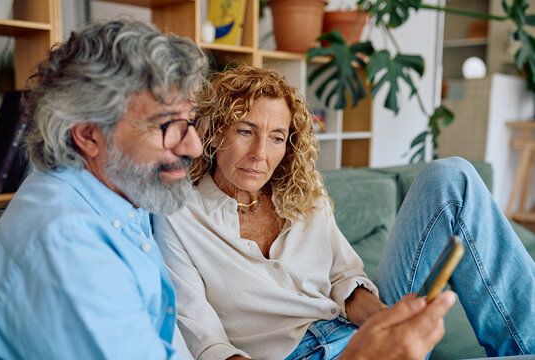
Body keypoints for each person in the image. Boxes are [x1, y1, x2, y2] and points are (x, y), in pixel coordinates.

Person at [154, 65, 535, 360]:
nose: (260, 154)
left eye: (276, 138)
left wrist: (386, 322)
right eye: (245, 130)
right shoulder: (178, 214)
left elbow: (344, 277)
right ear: (217, 131)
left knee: (452, 177)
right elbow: (201, 334)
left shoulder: (304, 192)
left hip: (357, 334)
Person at [0, 19, 207, 359]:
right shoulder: (67, 246)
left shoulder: (119, 191)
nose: (194, 146)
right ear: (89, 135)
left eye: (191, 120)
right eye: (169, 125)